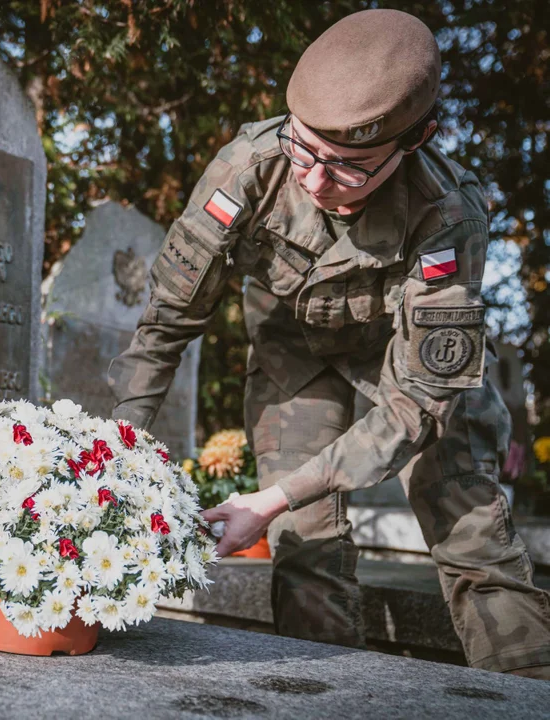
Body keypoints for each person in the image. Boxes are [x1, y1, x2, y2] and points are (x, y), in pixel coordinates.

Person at [108, 9, 550, 679]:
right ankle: (327, 695)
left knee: (475, 544)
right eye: (303, 149)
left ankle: (527, 695)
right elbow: (166, 325)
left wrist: (266, 501)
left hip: (408, 367)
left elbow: (416, 403)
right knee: (304, 546)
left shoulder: (445, 213)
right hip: (297, 350)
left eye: (348, 167)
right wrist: (113, 456)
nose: (315, 181)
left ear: (416, 140)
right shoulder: (248, 170)